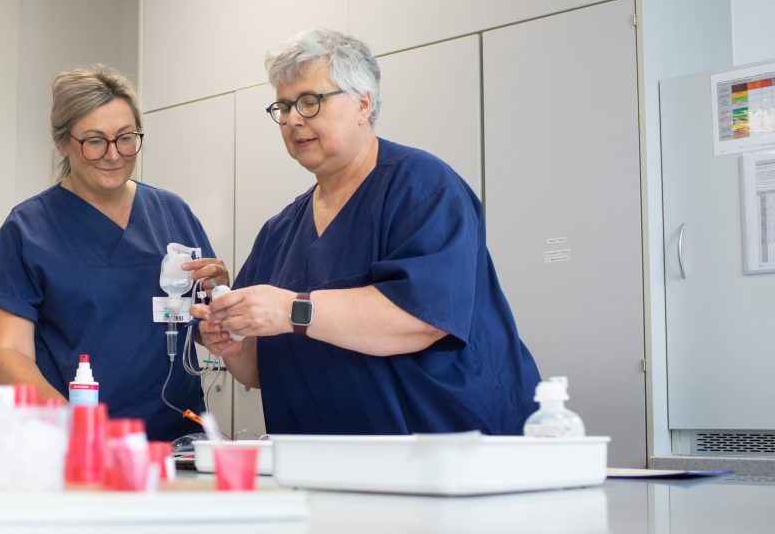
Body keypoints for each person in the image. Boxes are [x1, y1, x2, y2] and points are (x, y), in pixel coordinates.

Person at [192, 28, 541, 435]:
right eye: (284, 107)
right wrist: (231, 342)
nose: (292, 120)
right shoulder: (279, 232)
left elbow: (422, 317)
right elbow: (257, 371)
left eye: (310, 102)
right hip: (323, 464)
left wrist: (291, 309)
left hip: (443, 455)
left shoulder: (422, 187)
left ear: (362, 104)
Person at [0, 65, 225, 441]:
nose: (113, 154)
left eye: (126, 138)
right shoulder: (28, 229)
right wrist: (73, 430)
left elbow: (210, 330)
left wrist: (222, 301)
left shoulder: (172, 213)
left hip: (178, 444)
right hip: (78, 446)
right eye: (94, 141)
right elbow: (8, 352)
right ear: (63, 143)